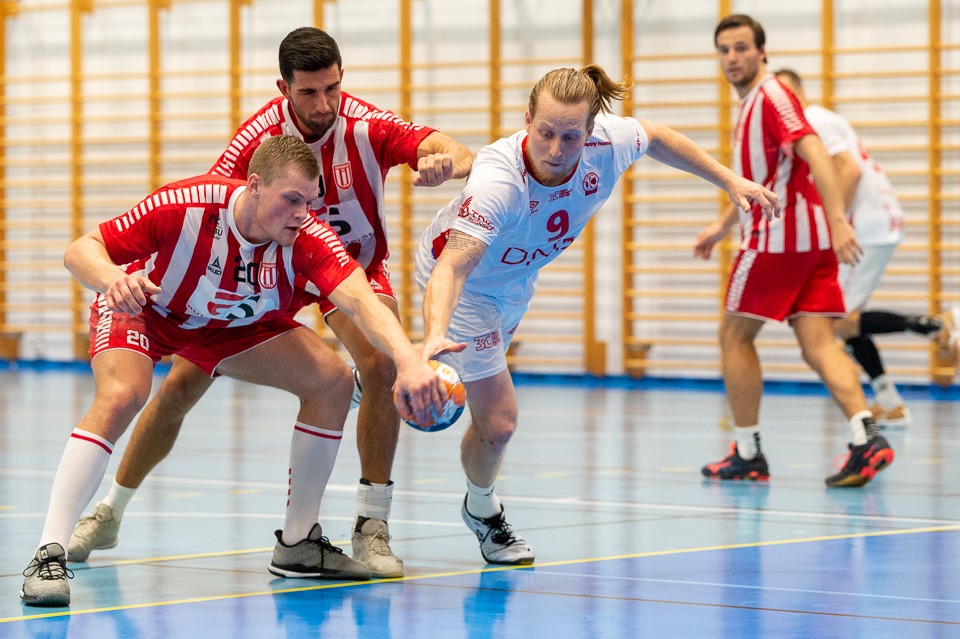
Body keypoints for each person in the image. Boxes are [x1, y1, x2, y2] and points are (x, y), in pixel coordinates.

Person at [67, 27, 473, 579]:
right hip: (272, 275)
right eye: (309, 92)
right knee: (181, 386)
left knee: (382, 362)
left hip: (349, 268)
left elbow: (455, 150)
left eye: (332, 88)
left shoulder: (366, 125)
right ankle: (110, 510)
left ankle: (372, 525)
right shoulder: (255, 141)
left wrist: (446, 163)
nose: (324, 104)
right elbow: (219, 216)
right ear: (284, 88)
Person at [20, 135, 449, 607]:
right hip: (147, 310)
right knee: (124, 395)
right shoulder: (186, 205)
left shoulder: (309, 237)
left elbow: (363, 302)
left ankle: (298, 543)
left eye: (310, 201)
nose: (302, 214)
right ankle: (48, 554)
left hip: (227, 325)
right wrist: (113, 280)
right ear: (255, 185)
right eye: (291, 200)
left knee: (332, 382)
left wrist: (409, 362)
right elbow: (81, 250)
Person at [414, 64, 781, 565]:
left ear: (591, 132)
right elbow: (453, 268)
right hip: (467, 284)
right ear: (526, 120)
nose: (555, 150)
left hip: (516, 281)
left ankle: (378, 375)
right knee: (499, 423)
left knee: (485, 411)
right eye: (545, 133)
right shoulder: (499, 181)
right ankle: (483, 511)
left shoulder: (608, 143)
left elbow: (656, 136)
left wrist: (728, 180)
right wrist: (436, 333)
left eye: (571, 136)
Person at [695, 14, 895, 488]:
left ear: (762, 52)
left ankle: (748, 453)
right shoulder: (754, 103)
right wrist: (722, 226)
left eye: (741, 48)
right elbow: (764, 180)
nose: (732, 58)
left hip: (776, 241)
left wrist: (840, 220)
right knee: (819, 343)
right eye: (724, 50)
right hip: (809, 245)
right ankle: (866, 436)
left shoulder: (771, 96)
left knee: (734, 336)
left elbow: (817, 152)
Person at [774, 68, 959, 427]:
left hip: (867, 227)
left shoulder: (812, 119)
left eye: (784, 95)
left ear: (798, 93)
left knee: (833, 322)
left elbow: (850, 170)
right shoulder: (818, 119)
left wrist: (834, 225)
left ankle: (936, 326)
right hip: (875, 223)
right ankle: (889, 401)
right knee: (844, 318)